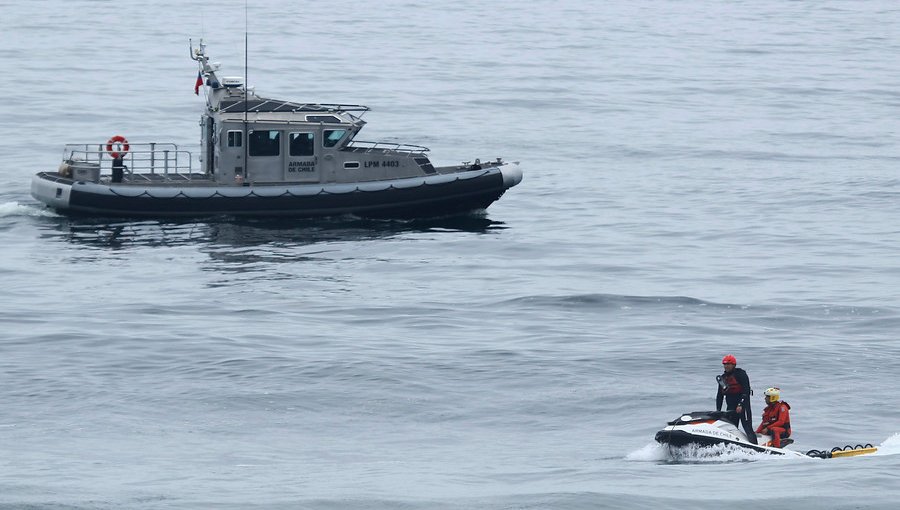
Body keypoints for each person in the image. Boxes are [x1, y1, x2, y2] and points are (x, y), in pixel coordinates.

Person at [716, 354, 757, 444]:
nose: (726, 366)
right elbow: (719, 396)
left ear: (733, 365)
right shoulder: (722, 378)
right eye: (725, 364)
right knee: (730, 429)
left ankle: (756, 446)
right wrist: (718, 410)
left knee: (747, 428)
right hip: (731, 407)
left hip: (743, 406)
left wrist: (740, 404)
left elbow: (746, 391)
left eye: (728, 364)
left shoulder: (741, 374)